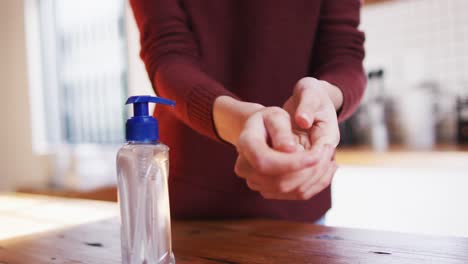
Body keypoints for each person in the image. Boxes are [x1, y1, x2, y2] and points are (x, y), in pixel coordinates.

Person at [130, 0, 366, 222]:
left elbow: (343, 52)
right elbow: (167, 54)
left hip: (301, 195)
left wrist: (325, 96)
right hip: (194, 203)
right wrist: (242, 122)